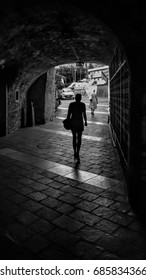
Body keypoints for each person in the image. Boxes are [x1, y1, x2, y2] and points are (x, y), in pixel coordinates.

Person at [67, 93, 87, 163]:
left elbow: (68, 114)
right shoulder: (82, 105)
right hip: (80, 123)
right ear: (80, 98)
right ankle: (78, 152)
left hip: (73, 123)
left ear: (75, 98)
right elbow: (84, 114)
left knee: (74, 138)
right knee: (79, 138)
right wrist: (86, 121)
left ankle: (75, 151)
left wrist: (67, 121)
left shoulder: (71, 104)